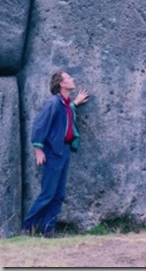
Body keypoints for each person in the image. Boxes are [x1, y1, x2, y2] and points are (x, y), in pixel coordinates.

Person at [23, 70, 89, 237]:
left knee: (59, 194)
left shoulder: (64, 104)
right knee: (48, 193)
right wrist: (38, 149)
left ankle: (47, 230)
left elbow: (64, 117)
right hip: (53, 153)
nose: (72, 79)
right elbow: (39, 124)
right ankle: (27, 227)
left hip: (64, 151)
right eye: (68, 78)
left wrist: (75, 104)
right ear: (61, 83)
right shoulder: (52, 102)